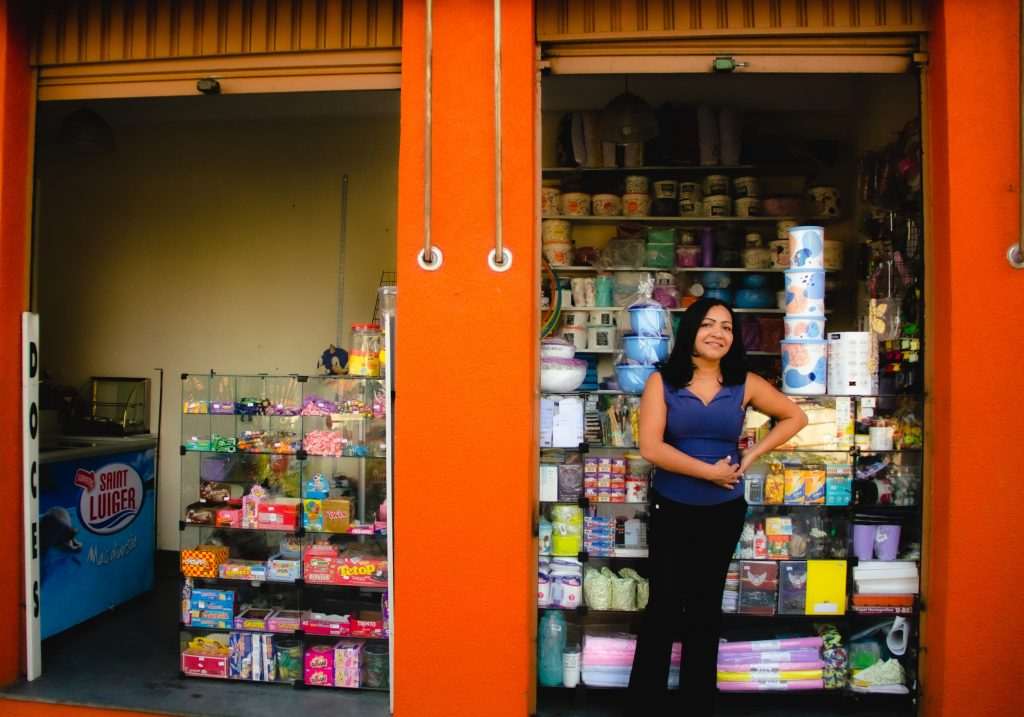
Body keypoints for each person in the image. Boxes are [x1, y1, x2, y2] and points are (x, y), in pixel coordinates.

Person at [628, 298, 808, 715]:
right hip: (672, 506)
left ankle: (697, 705)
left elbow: (795, 417)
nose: (718, 333)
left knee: (706, 608)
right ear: (691, 331)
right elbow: (651, 447)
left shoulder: (744, 383)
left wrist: (750, 455)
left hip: (723, 510)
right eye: (708, 324)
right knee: (663, 607)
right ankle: (644, 706)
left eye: (726, 327)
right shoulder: (662, 382)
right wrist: (708, 472)